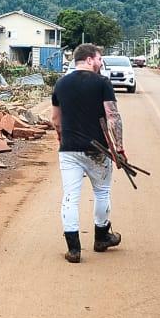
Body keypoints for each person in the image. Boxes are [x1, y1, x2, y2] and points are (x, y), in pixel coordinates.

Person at [50, 43, 124, 264]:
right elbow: (113, 117)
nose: (101, 63)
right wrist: (119, 148)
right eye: (100, 59)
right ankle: (101, 237)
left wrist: (62, 138)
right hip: (98, 150)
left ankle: (74, 250)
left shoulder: (61, 84)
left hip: (69, 150)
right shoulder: (102, 83)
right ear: (90, 59)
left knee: (70, 197)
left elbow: (55, 119)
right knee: (102, 193)